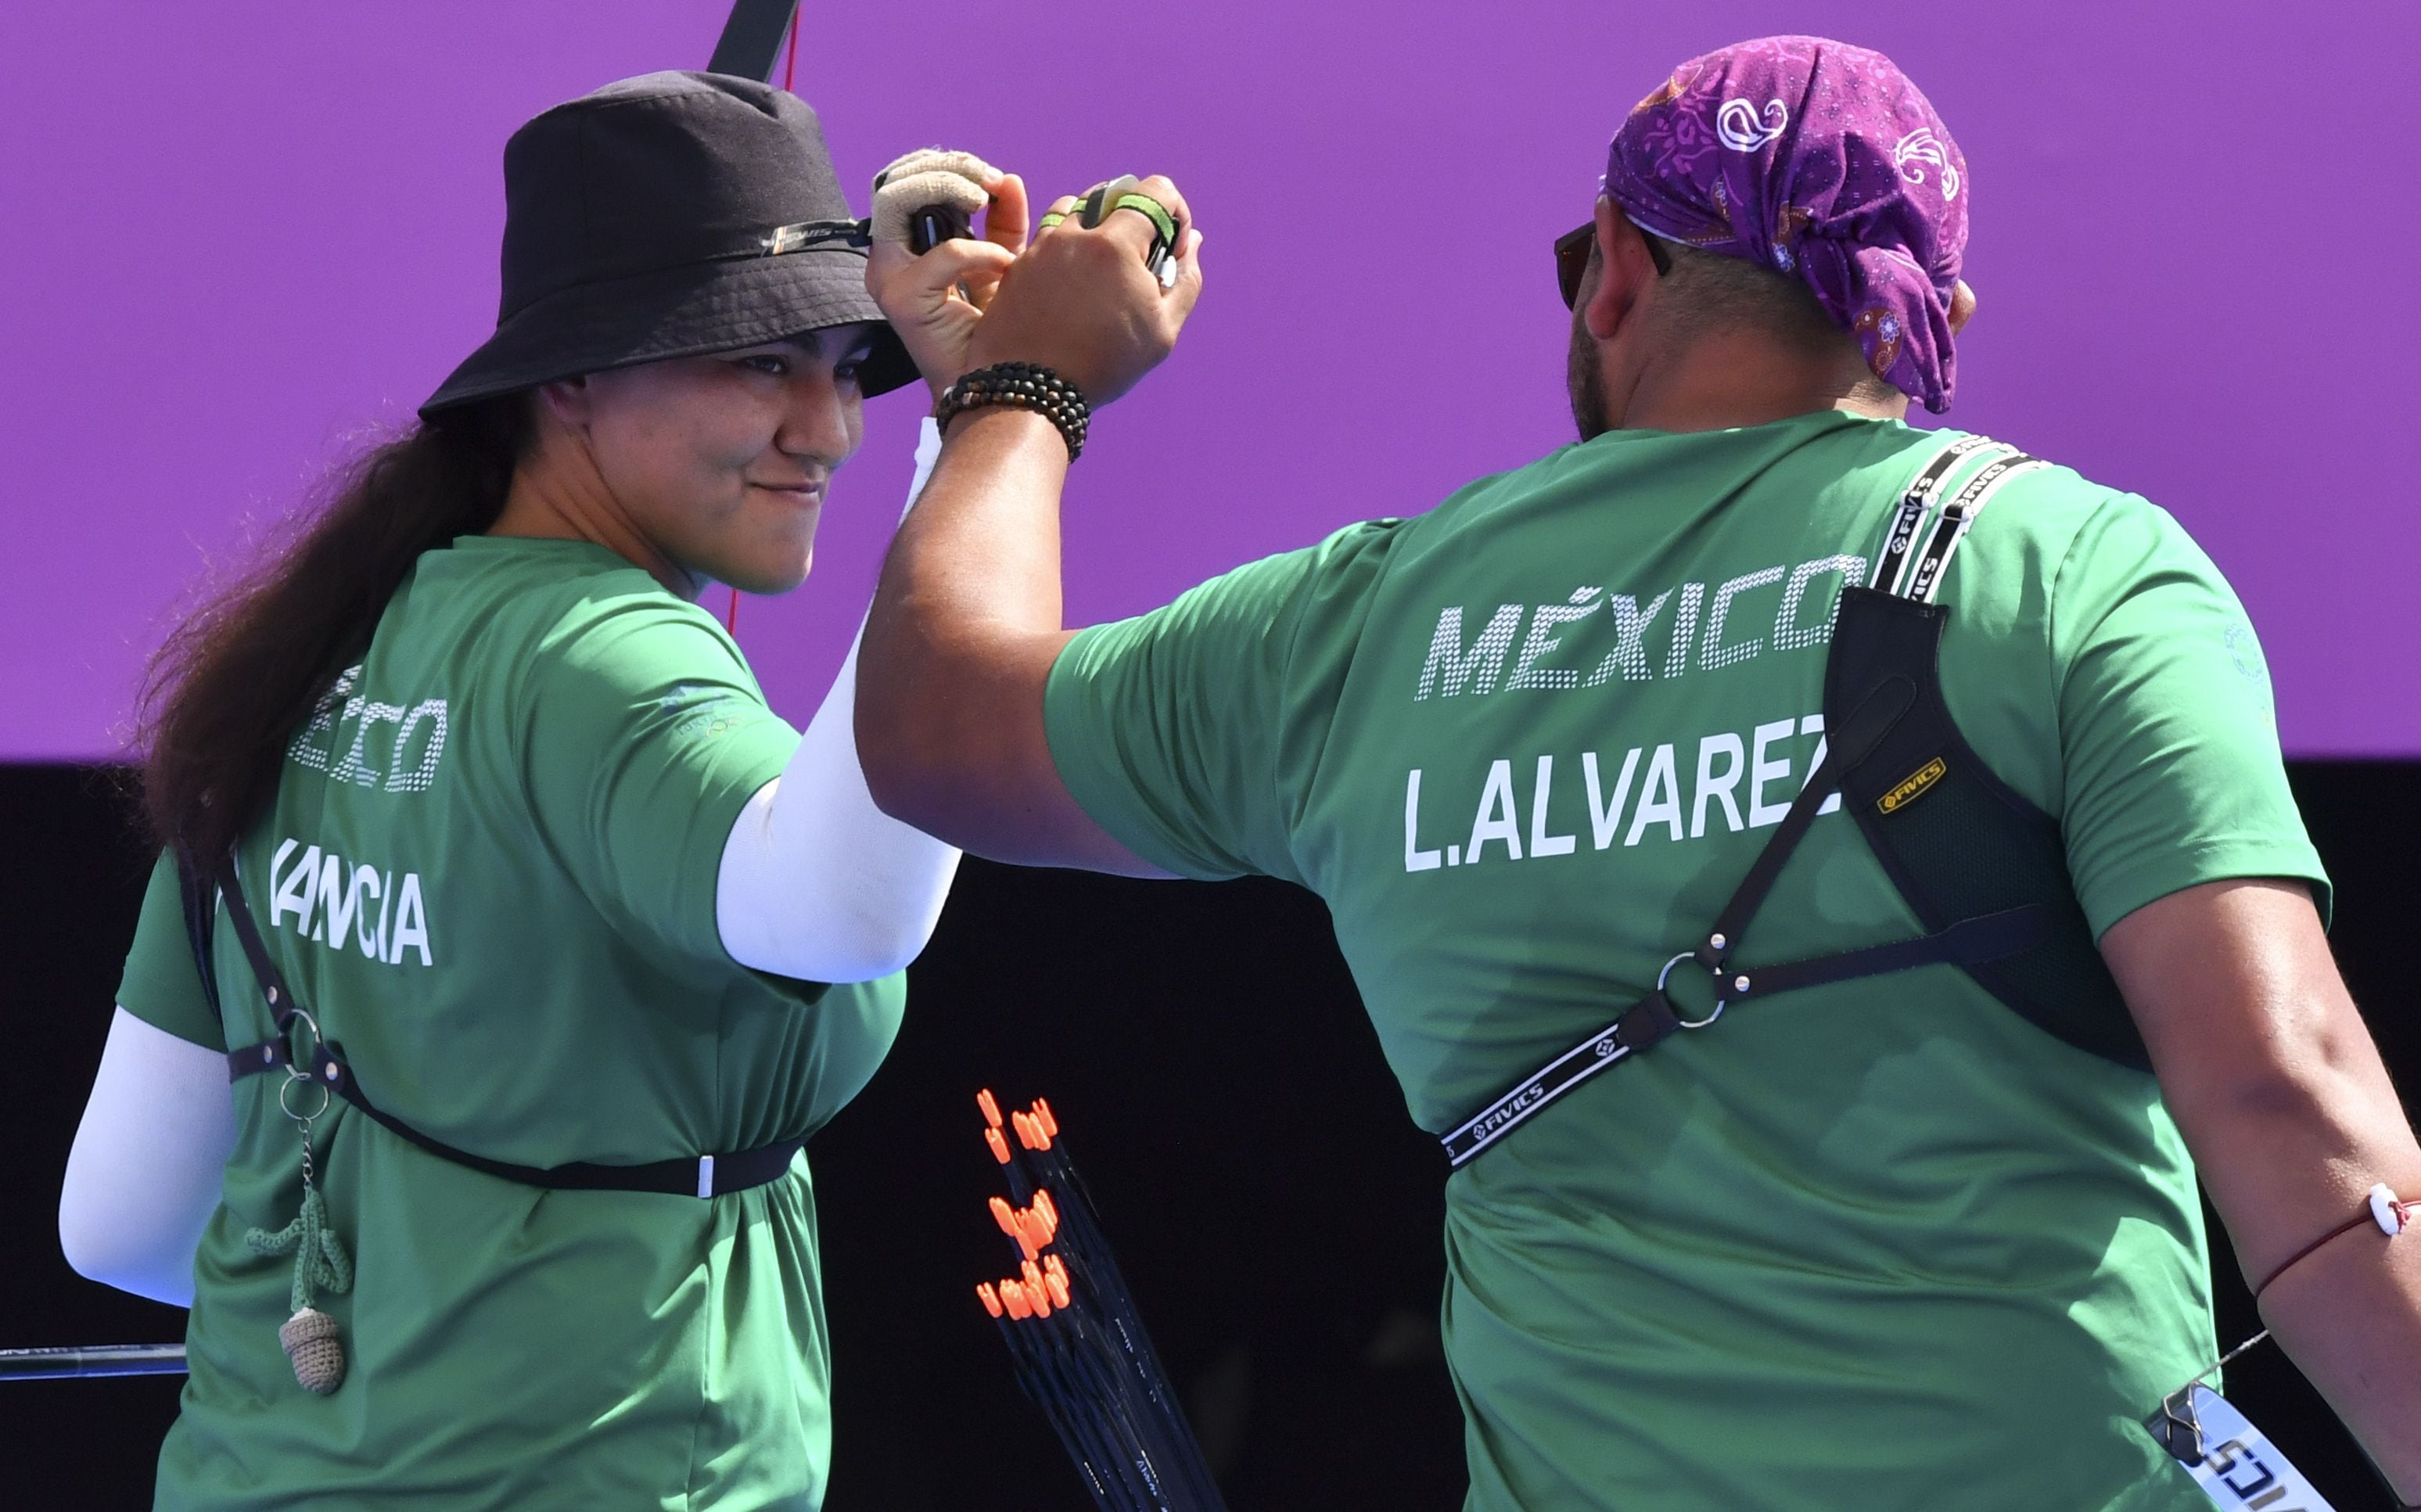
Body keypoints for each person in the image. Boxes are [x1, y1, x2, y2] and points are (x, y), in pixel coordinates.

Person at [857, 36, 2421, 1509]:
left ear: (1615, 267)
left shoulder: (1365, 631)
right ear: (1917, 315)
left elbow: (933, 727)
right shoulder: (2074, 570)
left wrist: (1025, 382)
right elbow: (2292, 1104)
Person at [56, 72, 1006, 1509]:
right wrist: (999, 420)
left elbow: (121, 1224)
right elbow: (851, 910)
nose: (832, 426)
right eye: (760, 362)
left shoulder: (313, 662)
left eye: (842, 361)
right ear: (570, 383)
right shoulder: (598, 658)